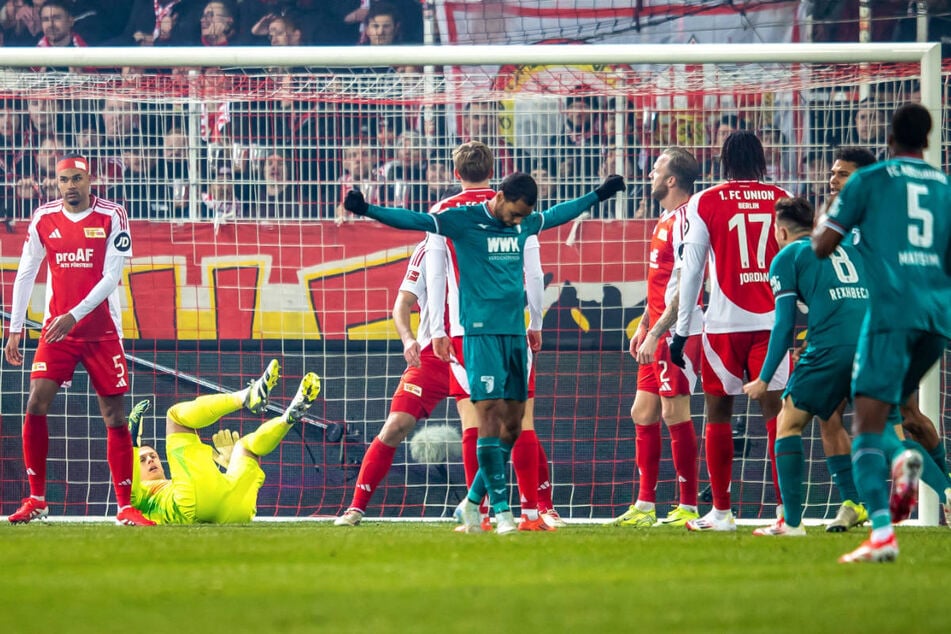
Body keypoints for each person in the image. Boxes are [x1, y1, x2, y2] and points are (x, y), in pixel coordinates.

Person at [344, 171, 625, 534]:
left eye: (525, 215)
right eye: (516, 212)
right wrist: (367, 209)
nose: (518, 221)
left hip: (512, 337)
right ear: (502, 197)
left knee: (513, 427)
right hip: (475, 338)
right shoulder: (462, 221)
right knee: (486, 422)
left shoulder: (522, 225)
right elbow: (413, 220)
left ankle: (476, 505)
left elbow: (559, 214)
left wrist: (598, 194)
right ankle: (502, 511)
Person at [812, 103, 951, 563]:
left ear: (889, 138)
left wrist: (830, 213)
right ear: (928, 139)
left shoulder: (870, 182)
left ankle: (882, 535)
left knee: (865, 427)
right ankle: (925, 475)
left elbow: (822, 246)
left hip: (889, 315)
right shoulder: (943, 186)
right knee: (897, 413)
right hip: (935, 320)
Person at [4, 154, 153, 526]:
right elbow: (26, 273)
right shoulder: (44, 218)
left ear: (90, 181)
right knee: (36, 403)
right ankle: (37, 499)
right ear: (58, 184)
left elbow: (111, 278)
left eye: (77, 178)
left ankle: (124, 507)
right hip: (58, 331)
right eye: (64, 180)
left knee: (114, 416)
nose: (70, 186)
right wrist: (16, 328)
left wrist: (75, 314)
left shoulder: (113, 216)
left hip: (101, 331)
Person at [423, 142, 559, 531]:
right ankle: (532, 512)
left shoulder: (445, 213)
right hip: (514, 326)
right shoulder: (519, 210)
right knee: (521, 421)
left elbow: (435, 276)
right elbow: (533, 274)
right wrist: (536, 323)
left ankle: (479, 513)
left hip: (467, 329)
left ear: (455, 172)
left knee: (475, 421)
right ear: (494, 173)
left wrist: (437, 329)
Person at [671, 130, 791, 532]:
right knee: (778, 416)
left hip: (723, 326)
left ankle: (722, 512)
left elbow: (691, 272)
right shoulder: (782, 197)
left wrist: (682, 330)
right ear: (761, 159)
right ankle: (785, 514)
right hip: (773, 323)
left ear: (724, 160)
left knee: (718, 413)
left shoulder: (705, 201)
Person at [742, 196, 869, 536]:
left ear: (780, 231)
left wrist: (763, 379)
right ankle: (861, 501)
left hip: (830, 350)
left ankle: (793, 523)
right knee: (885, 426)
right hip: (872, 344)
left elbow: (783, 325)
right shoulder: (846, 247)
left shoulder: (787, 257)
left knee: (789, 421)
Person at [612, 147, 702, 529]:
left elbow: (685, 289)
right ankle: (645, 504)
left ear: (671, 180)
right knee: (642, 412)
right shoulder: (663, 219)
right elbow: (659, 286)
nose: (649, 173)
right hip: (657, 330)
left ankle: (688, 505)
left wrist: (658, 333)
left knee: (673, 412)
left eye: (656, 169)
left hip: (679, 332)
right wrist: (644, 327)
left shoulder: (687, 221)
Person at [130, 362, 320, 524]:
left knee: (245, 447)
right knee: (175, 416)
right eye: (142, 459)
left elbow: (212, 496)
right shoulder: (140, 497)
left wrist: (229, 466)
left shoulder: (180, 482)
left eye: (152, 456)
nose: (150, 460)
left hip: (233, 506)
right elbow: (126, 479)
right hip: (192, 505)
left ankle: (287, 418)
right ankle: (245, 396)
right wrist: (131, 441)